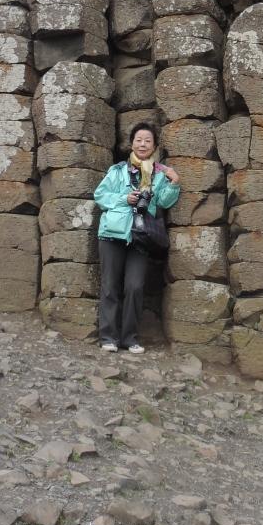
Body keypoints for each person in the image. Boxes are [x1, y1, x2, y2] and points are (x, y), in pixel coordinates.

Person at [93, 122, 180, 355]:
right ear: (131, 144)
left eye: (147, 141)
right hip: (112, 234)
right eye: (138, 140)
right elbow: (100, 196)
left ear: (154, 146)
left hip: (141, 236)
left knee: (135, 286)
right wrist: (125, 199)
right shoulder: (117, 170)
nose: (143, 144)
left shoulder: (159, 174)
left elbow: (164, 202)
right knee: (110, 286)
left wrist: (174, 182)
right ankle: (108, 337)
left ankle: (129, 338)